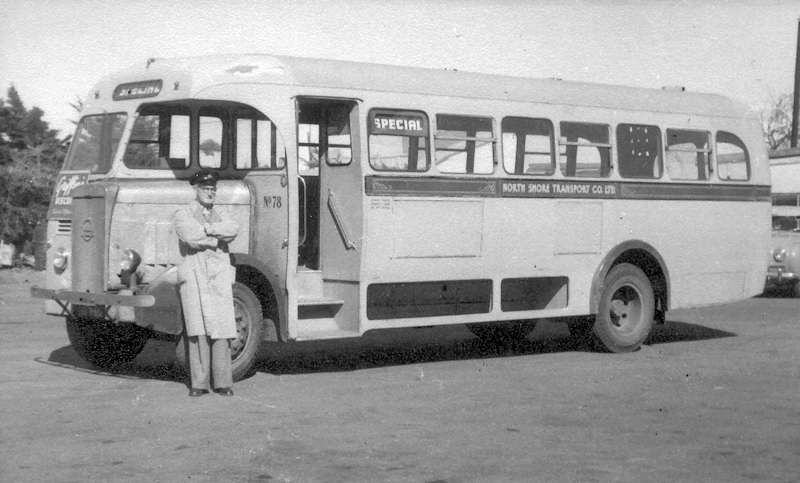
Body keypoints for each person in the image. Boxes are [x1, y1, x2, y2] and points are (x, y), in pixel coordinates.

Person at [173, 169, 240, 397]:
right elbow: (190, 237)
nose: (210, 193)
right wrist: (215, 237)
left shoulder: (221, 212)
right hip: (195, 273)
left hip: (219, 275)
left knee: (222, 327)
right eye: (205, 189)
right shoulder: (183, 213)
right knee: (197, 329)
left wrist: (207, 229)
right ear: (196, 190)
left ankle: (223, 382)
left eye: (213, 189)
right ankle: (199, 384)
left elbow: (233, 229)